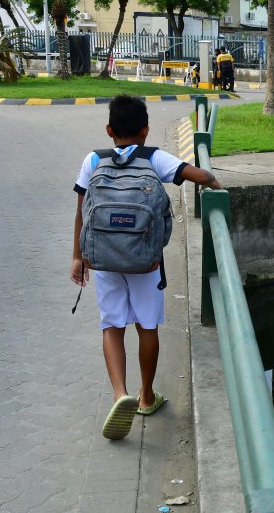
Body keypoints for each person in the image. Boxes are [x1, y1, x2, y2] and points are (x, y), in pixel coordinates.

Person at [70, 95, 222, 440]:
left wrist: (77, 256)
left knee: (112, 324)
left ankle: (119, 393)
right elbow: (197, 174)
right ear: (145, 130)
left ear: (109, 130)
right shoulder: (154, 157)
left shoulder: (93, 159)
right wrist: (214, 183)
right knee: (147, 325)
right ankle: (146, 396)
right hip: (144, 261)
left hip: (104, 259)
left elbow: (81, 210)